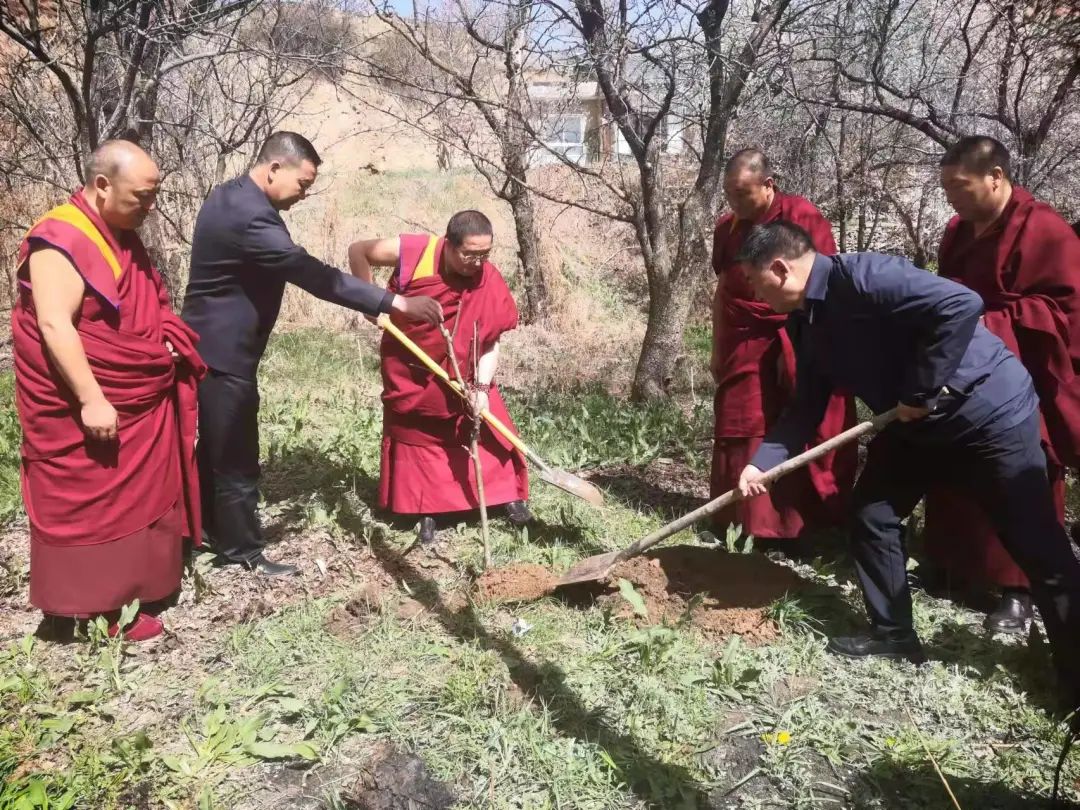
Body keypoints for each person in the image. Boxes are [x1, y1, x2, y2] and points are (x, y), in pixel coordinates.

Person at [735, 221, 1080, 716]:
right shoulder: (805, 322)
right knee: (872, 514)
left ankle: (1075, 681)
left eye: (752, 280)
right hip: (912, 426)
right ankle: (893, 634)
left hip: (986, 414)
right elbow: (805, 407)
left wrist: (919, 390)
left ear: (779, 268)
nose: (751, 290)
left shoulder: (869, 276)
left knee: (1036, 545)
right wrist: (762, 464)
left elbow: (961, 305)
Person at [182, 132, 443, 576]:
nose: (304, 194)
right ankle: (242, 551)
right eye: (302, 183)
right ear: (274, 169)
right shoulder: (252, 218)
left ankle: (211, 529)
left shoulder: (229, 195)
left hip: (209, 343)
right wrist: (394, 302)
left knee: (216, 448)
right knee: (236, 453)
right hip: (224, 353)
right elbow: (313, 275)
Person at [12, 140, 206, 641]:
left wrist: (160, 335)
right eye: (141, 196)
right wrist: (91, 398)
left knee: (139, 490)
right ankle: (91, 609)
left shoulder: (118, 233)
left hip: (136, 392)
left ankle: (135, 587)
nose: (150, 206)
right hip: (86, 396)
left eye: (154, 194)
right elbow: (55, 325)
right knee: (94, 495)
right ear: (102, 186)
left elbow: (135, 303)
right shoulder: (60, 240)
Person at [924, 136, 1080, 634]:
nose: (952, 196)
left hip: (1026, 373)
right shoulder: (957, 231)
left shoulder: (1044, 229)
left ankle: (1018, 591)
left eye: (959, 185)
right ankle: (960, 565)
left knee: (1022, 473)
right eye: (946, 186)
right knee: (957, 462)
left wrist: (987, 324)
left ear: (996, 176)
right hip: (965, 367)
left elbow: (1064, 312)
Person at [348, 210, 530, 544]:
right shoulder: (415, 252)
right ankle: (426, 507)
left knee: (487, 426)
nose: (477, 264)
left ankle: (503, 495)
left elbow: (491, 340)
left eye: (484, 255)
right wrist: (370, 301)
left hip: (467, 372)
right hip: (412, 368)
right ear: (448, 244)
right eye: (469, 255)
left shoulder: (486, 278)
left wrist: (483, 387)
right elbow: (358, 250)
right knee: (419, 433)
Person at [710, 148, 855, 546]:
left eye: (743, 194)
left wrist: (812, 345)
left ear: (769, 185)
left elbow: (824, 286)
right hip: (745, 340)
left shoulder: (802, 218)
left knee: (810, 420)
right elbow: (725, 288)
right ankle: (747, 523)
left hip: (797, 332)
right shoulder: (728, 228)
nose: (735, 204)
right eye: (729, 195)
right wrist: (716, 346)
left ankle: (806, 525)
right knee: (747, 424)